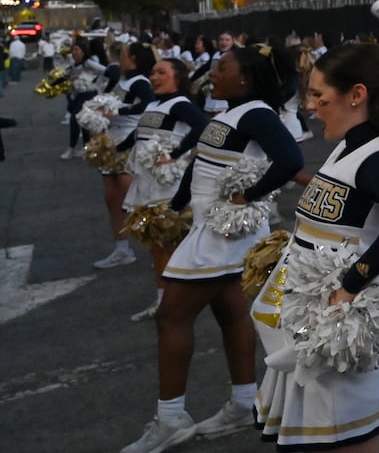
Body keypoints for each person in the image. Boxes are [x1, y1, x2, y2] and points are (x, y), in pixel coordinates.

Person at [251, 43, 379, 451]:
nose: (312, 107)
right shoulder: (348, 145)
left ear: (356, 95)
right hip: (315, 333)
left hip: (342, 337)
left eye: (320, 96)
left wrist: (352, 282)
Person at [119, 44, 302, 453]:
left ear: (245, 79)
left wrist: (248, 197)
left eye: (222, 67)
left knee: (171, 316)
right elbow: (202, 163)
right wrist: (178, 205)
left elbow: (290, 159)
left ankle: (170, 419)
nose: (213, 74)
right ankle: (242, 404)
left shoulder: (257, 113)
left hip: (222, 235)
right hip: (210, 229)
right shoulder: (229, 113)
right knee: (231, 314)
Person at [123, 58, 206, 321]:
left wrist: (176, 152)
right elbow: (139, 134)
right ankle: (163, 300)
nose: (154, 77)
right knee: (157, 247)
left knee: (168, 245)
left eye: (162, 72)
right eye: (152, 72)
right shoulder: (153, 104)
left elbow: (203, 126)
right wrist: (114, 148)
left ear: (177, 78)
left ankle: (174, 303)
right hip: (148, 185)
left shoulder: (179, 104)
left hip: (168, 188)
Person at [95, 42, 158, 270]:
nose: (119, 57)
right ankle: (122, 250)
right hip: (111, 143)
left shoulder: (140, 82)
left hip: (129, 143)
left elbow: (149, 106)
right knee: (112, 199)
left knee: (134, 201)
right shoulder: (121, 79)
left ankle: (159, 251)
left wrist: (119, 111)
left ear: (132, 58)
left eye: (122, 54)